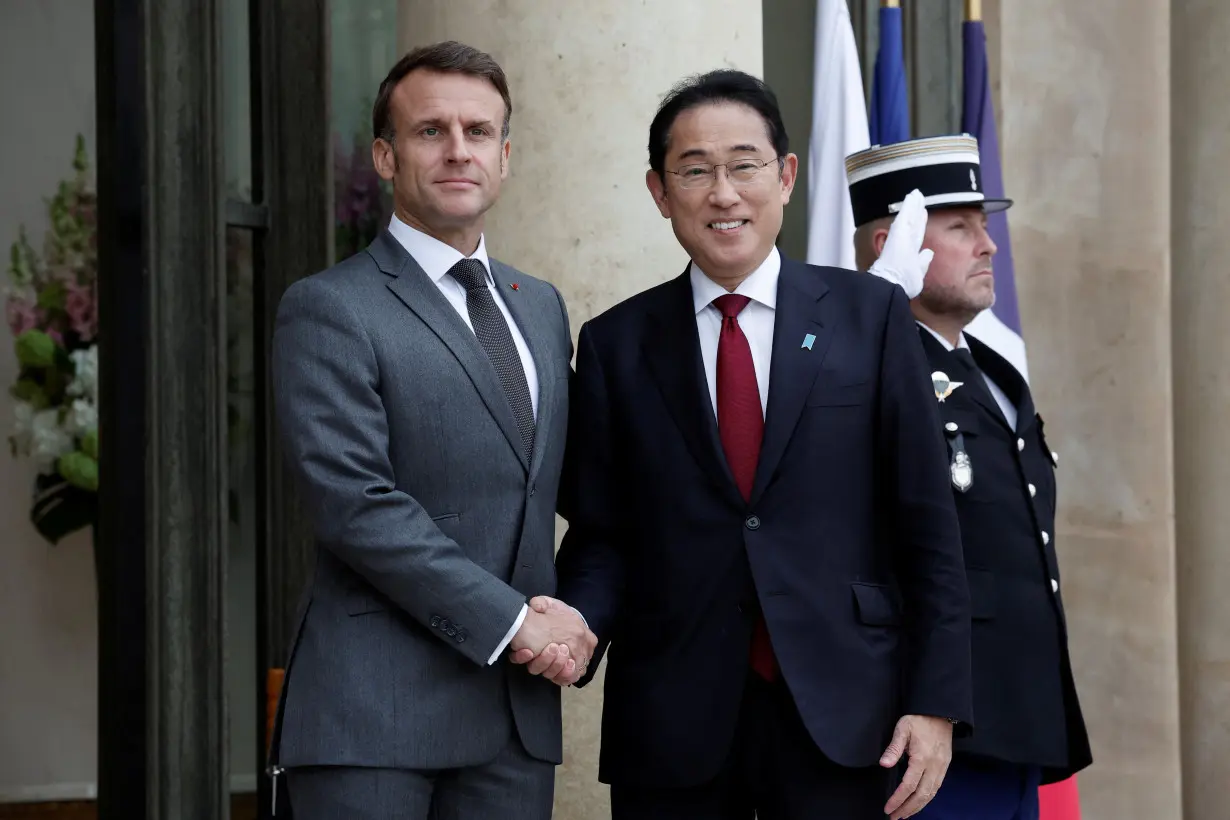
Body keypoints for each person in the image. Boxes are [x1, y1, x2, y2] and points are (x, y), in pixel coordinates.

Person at [515, 70, 972, 820]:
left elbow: (928, 526)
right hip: (674, 720)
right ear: (661, 192)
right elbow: (604, 532)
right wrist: (577, 624)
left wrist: (937, 702)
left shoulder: (872, 316)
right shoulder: (616, 346)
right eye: (694, 171)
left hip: (849, 713)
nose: (722, 193)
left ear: (785, 177)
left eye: (744, 165)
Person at [267, 41, 595, 820]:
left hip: (513, 725)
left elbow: (566, 484)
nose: (458, 150)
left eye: (479, 132)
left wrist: (580, 621)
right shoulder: (329, 307)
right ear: (385, 156)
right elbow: (356, 504)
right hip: (373, 721)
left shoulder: (539, 306)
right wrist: (518, 622)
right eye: (430, 131)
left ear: (505, 156)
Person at [848, 134, 1093, 820]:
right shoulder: (867, 370)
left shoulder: (993, 375)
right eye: (960, 228)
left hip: (1014, 716)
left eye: (985, 227)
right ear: (889, 245)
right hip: (933, 725)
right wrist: (873, 311)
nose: (989, 246)